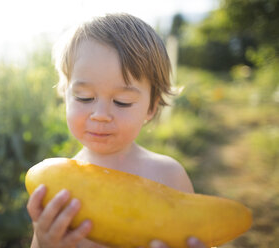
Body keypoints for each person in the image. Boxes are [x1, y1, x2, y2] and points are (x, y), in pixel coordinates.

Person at [27, 13, 208, 248]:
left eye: (122, 101)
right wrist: (45, 243)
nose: (101, 114)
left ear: (151, 108)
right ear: (65, 95)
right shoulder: (59, 187)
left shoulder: (169, 176)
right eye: (85, 97)